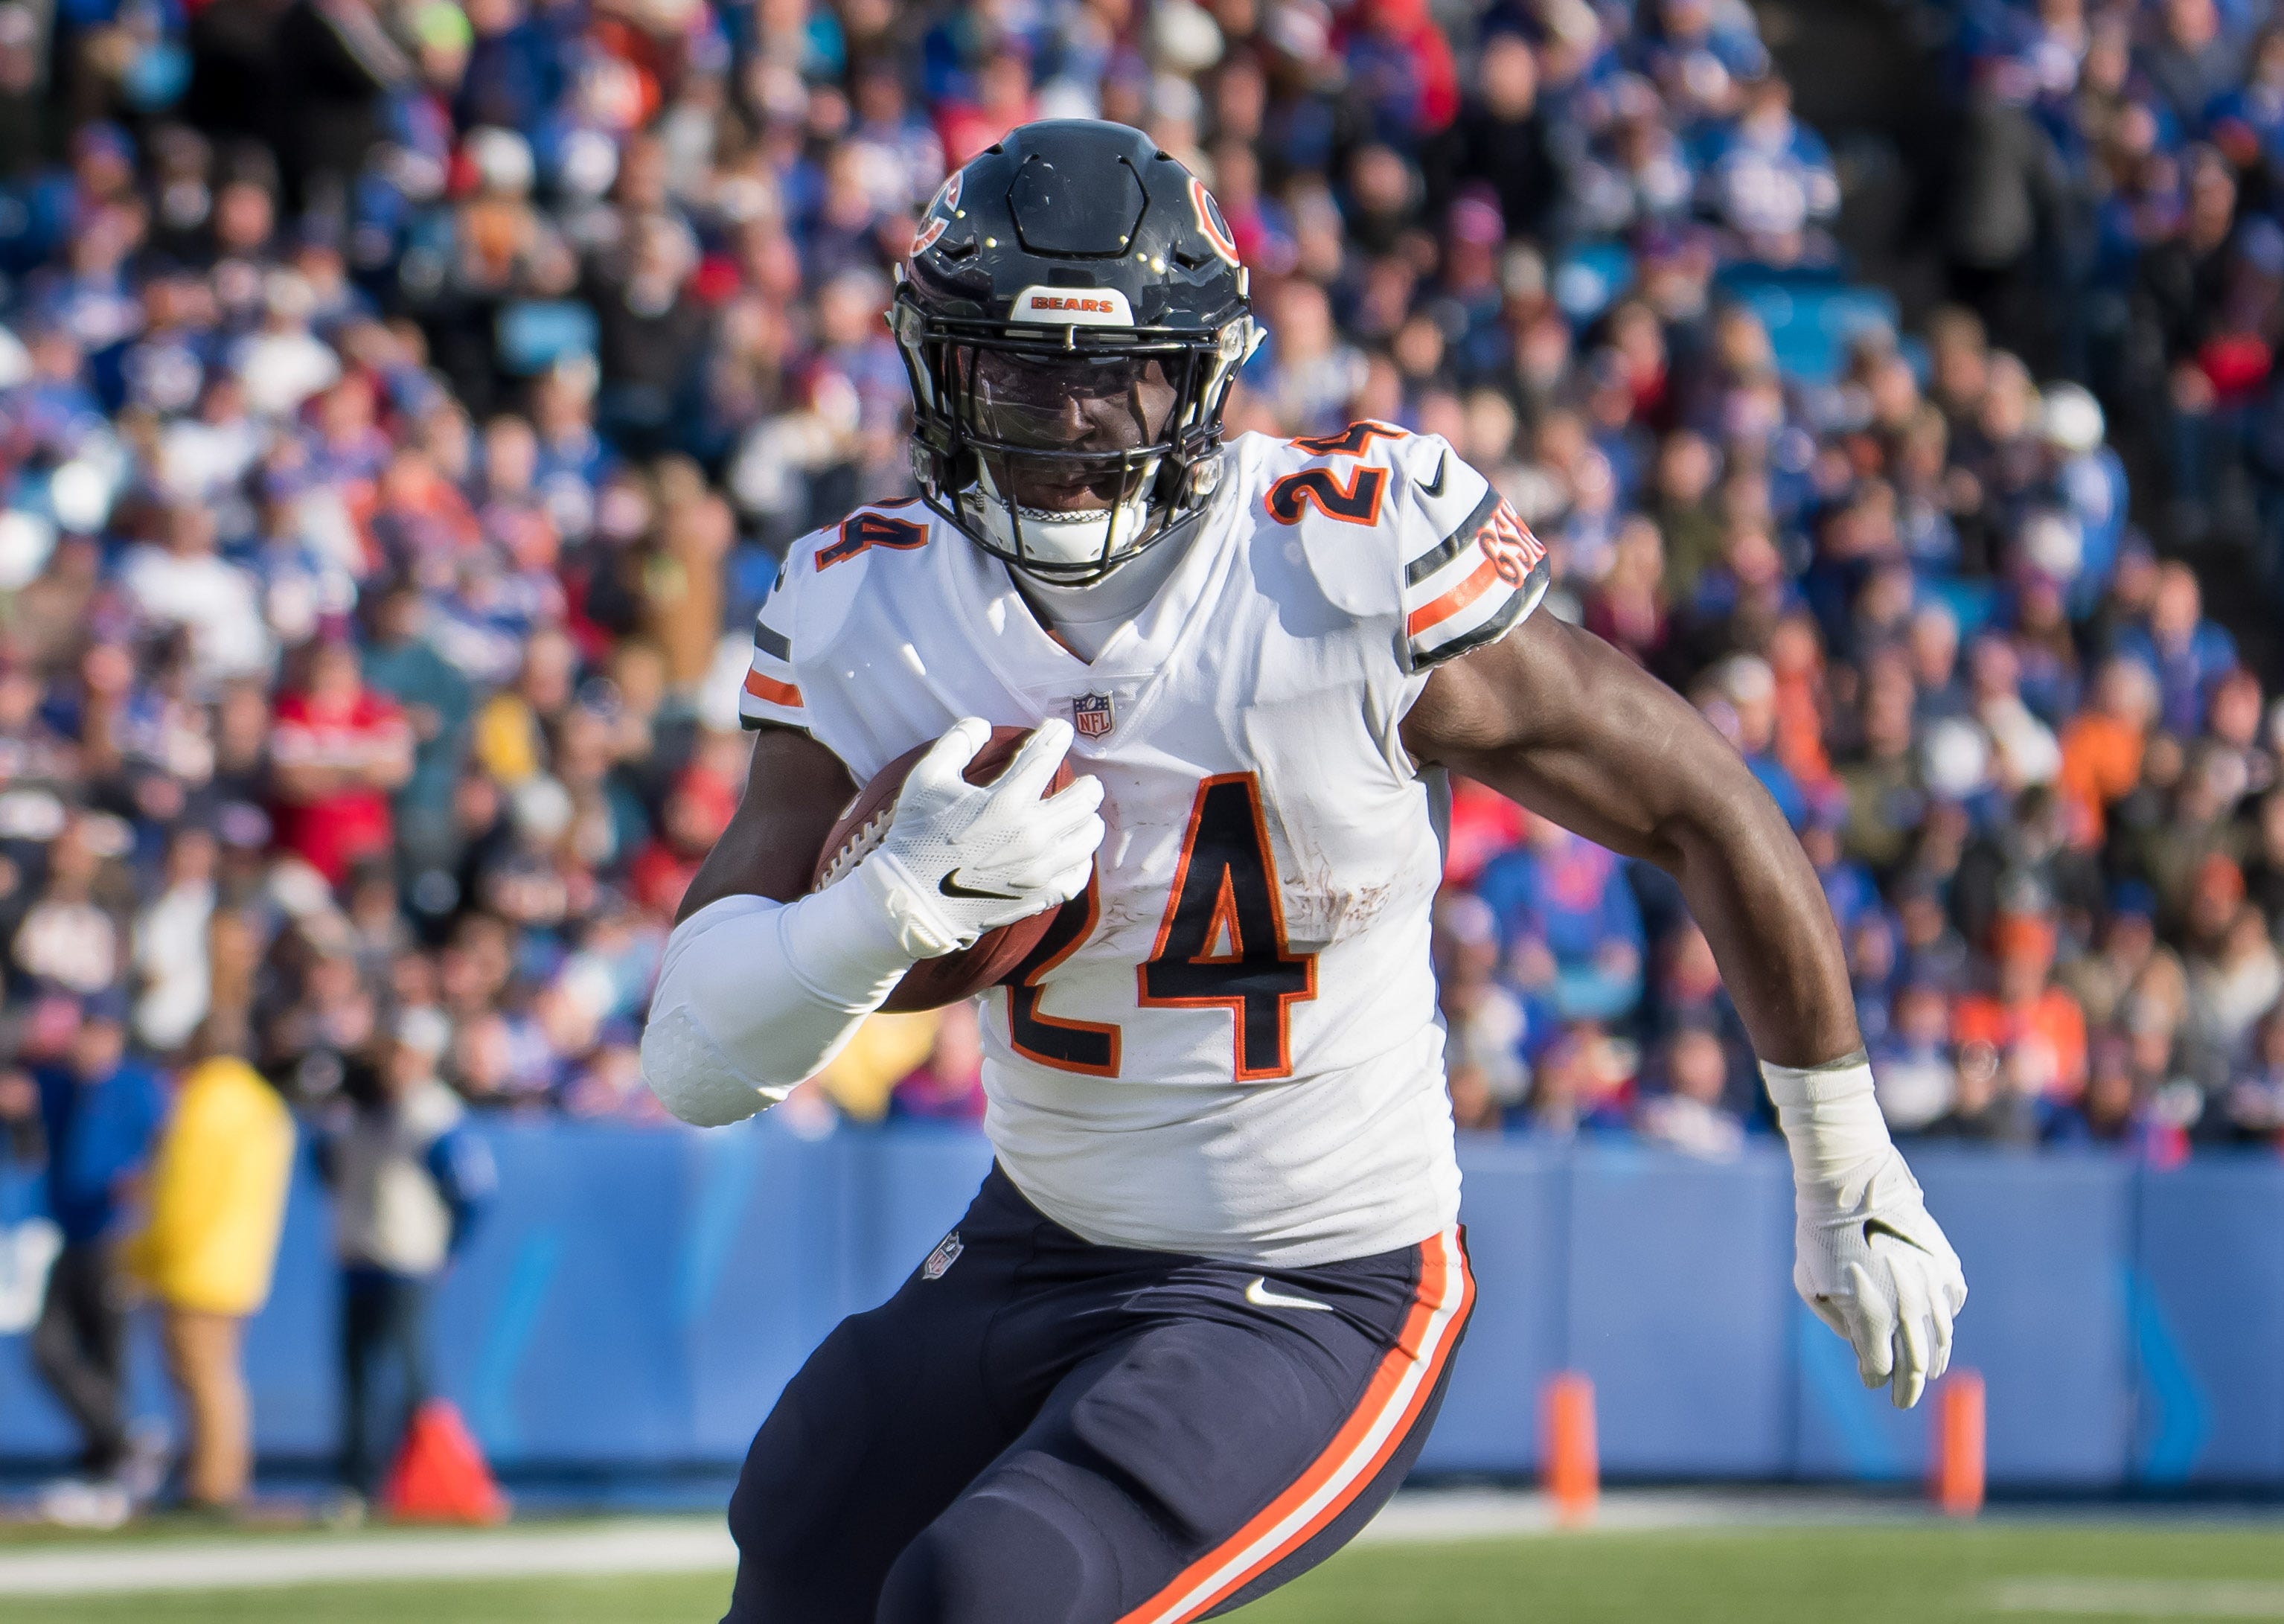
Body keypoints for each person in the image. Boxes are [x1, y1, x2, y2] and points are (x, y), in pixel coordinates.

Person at [640, 121, 1968, 1624]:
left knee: (988, 1590)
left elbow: (1700, 804)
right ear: (937, 366)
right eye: (1012, 365)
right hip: (1046, 1234)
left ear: (1200, 374)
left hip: (1321, 1276)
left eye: (1116, 368)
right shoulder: (864, 597)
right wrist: (877, 917)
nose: (1067, 417)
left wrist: (1843, 1159)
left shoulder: (1338, 561)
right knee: (807, 1511)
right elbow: (691, 1058)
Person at [315, 1008, 494, 1519]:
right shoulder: (356, 1109)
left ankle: (422, 1481)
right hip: (357, 1255)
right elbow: (325, 1171)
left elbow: (472, 1191)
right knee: (357, 1379)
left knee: (408, 1377)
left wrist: (449, 1248)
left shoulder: (431, 1113)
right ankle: (357, 1483)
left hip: (405, 1258)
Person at [125, 1019, 296, 1514]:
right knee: (218, 1376)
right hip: (239, 1262)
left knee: (201, 1376)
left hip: (194, 1262)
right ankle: (215, 1476)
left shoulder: (203, 1105)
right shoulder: (262, 1104)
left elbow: (180, 1196)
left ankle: (213, 1483)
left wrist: (144, 1256)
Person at [16, 991, 167, 1526]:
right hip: (70, 1234)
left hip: (113, 1236)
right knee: (48, 1349)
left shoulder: (136, 1086)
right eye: (87, 1030)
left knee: (109, 1354)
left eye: (103, 1031)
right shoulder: (60, 1084)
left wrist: (145, 1187)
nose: (92, 1042)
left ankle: (110, 1469)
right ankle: (122, 1442)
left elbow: (163, 1148)